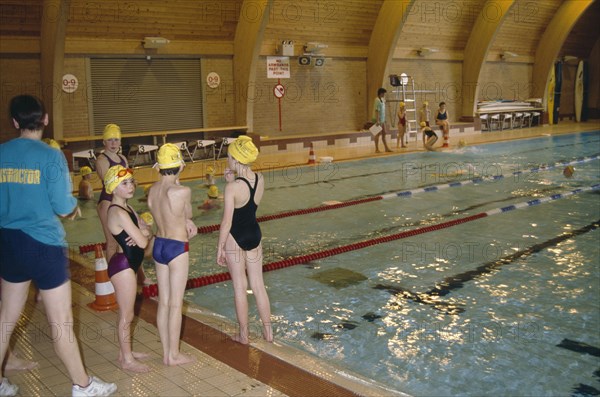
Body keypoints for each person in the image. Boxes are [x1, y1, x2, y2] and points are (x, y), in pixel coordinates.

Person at [0, 94, 116, 396]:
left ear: (15, 122)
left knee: (6, 318)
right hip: (43, 245)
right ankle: (83, 385)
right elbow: (63, 206)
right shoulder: (50, 156)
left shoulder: (1, 153)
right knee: (62, 321)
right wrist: (72, 208)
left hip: (8, 242)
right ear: (45, 120)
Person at [217, 136, 272, 345]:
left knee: (240, 287)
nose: (227, 160)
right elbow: (248, 207)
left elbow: (226, 222)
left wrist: (220, 248)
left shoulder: (231, 188)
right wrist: (233, 181)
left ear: (235, 159)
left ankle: (244, 336)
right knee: (258, 286)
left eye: (229, 156)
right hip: (255, 235)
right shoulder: (261, 179)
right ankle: (269, 335)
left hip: (234, 238)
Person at [147, 143, 198, 366]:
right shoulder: (182, 191)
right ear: (180, 165)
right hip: (177, 248)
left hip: (159, 245)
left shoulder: (152, 190)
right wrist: (178, 180)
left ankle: (166, 351)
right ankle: (174, 356)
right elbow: (188, 214)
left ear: (158, 166)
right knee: (176, 304)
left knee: (164, 302)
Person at [104, 165, 152, 373]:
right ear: (113, 188)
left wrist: (143, 232)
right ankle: (126, 360)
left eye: (131, 181)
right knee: (127, 314)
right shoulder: (117, 211)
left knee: (128, 313)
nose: (130, 185)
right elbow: (142, 242)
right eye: (124, 183)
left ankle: (126, 352)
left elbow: (147, 231)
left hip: (128, 265)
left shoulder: (128, 208)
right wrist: (142, 233)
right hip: (122, 266)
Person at [95, 123, 149, 285]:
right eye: (110, 139)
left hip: (123, 203)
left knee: (134, 238)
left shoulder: (123, 158)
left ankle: (139, 275)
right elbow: (110, 184)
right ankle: (112, 279)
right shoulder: (102, 160)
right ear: (104, 141)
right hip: (108, 203)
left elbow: (125, 181)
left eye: (116, 140)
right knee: (112, 242)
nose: (113, 143)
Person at [372, 88, 392, 153]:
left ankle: (386, 148)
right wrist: (377, 120)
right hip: (377, 120)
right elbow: (376, 110)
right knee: (377, 134)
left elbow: (383, 110)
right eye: (383, 93)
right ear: (380, 93)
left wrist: (384, 120)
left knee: (384, 133)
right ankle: (376, 149)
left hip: (382, 120)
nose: (384, 94)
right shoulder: (377, 100)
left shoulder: (383, 100)